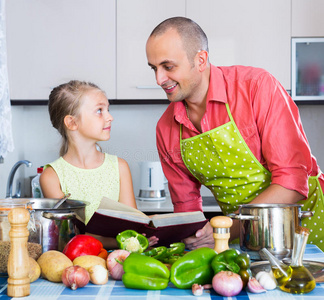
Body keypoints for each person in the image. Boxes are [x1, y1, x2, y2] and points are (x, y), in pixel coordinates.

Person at [146, 17, 324, 251]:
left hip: (306, 225)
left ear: (200, 60)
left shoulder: (256, 87)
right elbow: (186, 208)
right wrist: (194, 236)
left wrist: (228, 227)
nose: (159, 79)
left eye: (168, 67)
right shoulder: (166, 129)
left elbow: (291, 183)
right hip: (243, 238)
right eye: (154, 68)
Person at [40, 80, 157, 248]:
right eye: (99, 111)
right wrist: (125, 242)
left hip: (119, 260)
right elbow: (71, 237)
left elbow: (132, 226)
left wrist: (143, 235)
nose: (110, 117)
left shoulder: (120, 167)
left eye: (108, 109)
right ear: (72, 122)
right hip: (76, 260)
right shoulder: (51, 176)